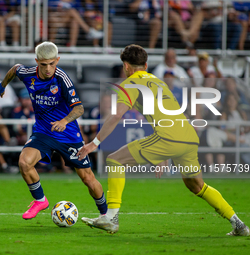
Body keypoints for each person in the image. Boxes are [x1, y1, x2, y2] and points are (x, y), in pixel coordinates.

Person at [77, 44, 249, 236]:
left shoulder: (130, 83)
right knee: (197, 186)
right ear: (146, 64)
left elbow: (116, 116)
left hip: (169, 138)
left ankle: (111, 218)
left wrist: (94, 143)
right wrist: (164, 153)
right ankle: (239, 224)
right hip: (188, 137)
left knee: (115, 160)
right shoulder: (159, 82)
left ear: (126, 66)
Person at [0, 41, 107, 220]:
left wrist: (64, 120)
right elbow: (15, 69)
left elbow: (79, 109)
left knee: (88, 179)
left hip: (68, 134)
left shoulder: (61, 78)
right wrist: (2, 86)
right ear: (37, 61)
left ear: (58, 60)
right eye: (44, 64)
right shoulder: (28, 74)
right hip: (44, 131)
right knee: (24, 163)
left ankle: (105, 214)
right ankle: (40, 200)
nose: (48, 69)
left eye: (52, 64)